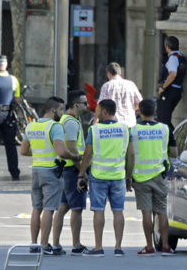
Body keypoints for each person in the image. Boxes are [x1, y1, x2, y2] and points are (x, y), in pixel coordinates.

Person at [19, 96, 81, 256]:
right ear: (53, 110)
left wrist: (39, 152)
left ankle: (34, 243)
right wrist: (74, 156)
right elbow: (61, 151)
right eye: (61, 109)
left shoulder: (31, 126)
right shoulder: (55, 127)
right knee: (49, 209)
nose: (62, 112)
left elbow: (24, 150)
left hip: (36, 170)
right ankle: (45, 245)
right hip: (52, 171)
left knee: (36, 208)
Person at [76, 99, 129, 257]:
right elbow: (130, 154)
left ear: (105, 112)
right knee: (118, 211)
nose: (96, 112)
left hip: (98, 176)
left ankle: (98, 247)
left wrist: (81, 173)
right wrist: (130, 175)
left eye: (98, 109)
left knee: (98, 211)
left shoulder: (95, 130)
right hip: (119, 175)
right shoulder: (125, 129)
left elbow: (88, 153)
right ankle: (118, 247)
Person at [126, 99, 176, 256]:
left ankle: (149, 247)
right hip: (159, 175)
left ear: (139, 112)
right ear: (155, 111)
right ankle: (166, 246)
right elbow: (174, 153)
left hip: (140, 177)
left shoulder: (132, 131)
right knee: (162, 212)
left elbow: (131, 154)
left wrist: (128, 176)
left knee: (146, 213)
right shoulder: (165, 129)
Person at [51, 90, 90, 256]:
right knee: (77, 208)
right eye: (85, 103)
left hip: (65, 169)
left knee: (63, 207)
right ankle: (76, 244)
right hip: (72, 169)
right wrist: (81, 170)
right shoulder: (72, 122)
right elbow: (72, 147)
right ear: (76, 105)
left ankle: (56, 243)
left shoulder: (69, 119)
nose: (87, 106)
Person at [98, 62, 143, 128]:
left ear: (108, 74)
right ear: (120, 73)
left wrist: (96, 119)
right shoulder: (131, 84)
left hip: (114, 126)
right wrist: (132, 109)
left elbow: (100, 105)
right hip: (130, 124)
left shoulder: (106, 86)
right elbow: (140, 103)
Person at [157, 36, 187, 132]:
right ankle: (173, 140)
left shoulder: (173, 58)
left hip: (169, 92)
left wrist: (162, 87)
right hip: (177, 91)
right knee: (165, 120)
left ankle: (174, 141)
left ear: (167, 47)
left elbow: (172, 74)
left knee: (163, 120)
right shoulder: (181, 57)